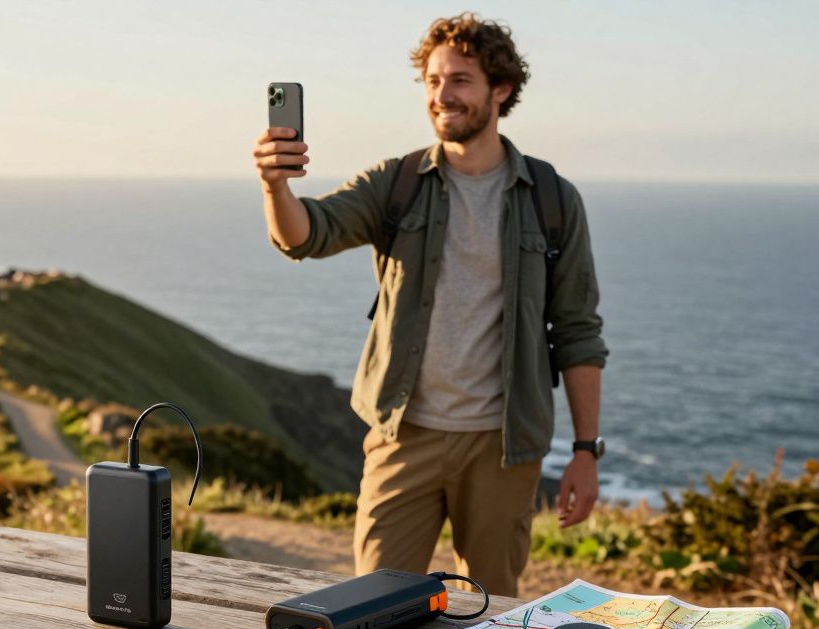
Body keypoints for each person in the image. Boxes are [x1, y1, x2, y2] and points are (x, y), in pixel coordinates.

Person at [253, 12, 608, 597]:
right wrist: (276, 187)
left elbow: (577, 332)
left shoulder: (552, 200)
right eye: (433, 81)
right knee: (373, 605)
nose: (442, 96)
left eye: (461, 80)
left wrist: (585, 452)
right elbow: (306, 236)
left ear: (502, 89)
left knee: (492, 619)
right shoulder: (397, 183)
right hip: (403, 435)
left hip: (503, 446)